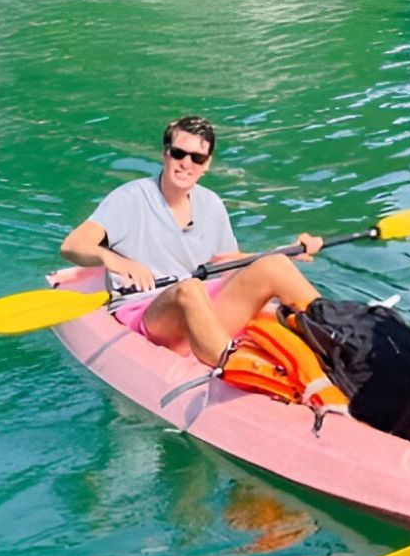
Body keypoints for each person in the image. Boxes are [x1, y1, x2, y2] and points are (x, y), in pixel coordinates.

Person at [60, 115, 323, 367]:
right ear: (166, 153)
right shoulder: (129, 198)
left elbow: (227, 263)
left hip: (203, 307)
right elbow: (72, 246)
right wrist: (113, 259)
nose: (186, 164)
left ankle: (340, 339)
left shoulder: (211, 204)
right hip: (150, 310)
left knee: (275, 265)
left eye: (197, 158)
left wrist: (287, 252)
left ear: (206, 165)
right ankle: (231, 366)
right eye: (179, 153)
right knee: (189, 289)